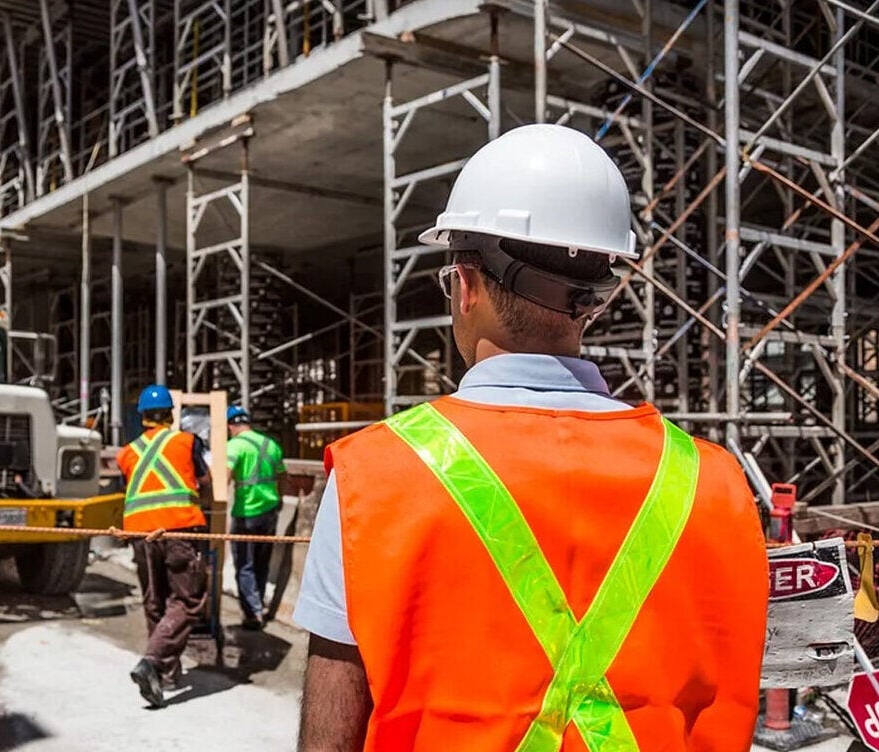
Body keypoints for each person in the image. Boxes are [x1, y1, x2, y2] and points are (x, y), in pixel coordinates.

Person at [293, 124, 768, 751]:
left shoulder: (374, 476)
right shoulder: (713, 481)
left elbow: (331, 734)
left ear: (464, 285)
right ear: (596, 298)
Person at [117, 384, 211, 708]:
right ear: (172, 414)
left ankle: (166, 674)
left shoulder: (126, 453)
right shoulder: (186, 441)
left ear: (142, 416)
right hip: (178, 529)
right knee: (189, 601)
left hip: (140, 535)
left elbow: (129, 490)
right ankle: (153, 661)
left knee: (155, 601)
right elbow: (206, 479)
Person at [225, 405, 287, 630]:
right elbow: (283, 475)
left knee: (244, 564)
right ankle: (258, 603)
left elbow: (225, 477)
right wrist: (278, 498)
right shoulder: (270, 445)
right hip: (270, 512)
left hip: (246, 513)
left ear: (231, 426)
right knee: (262, 562)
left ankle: (253, 613)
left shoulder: (234, 446)